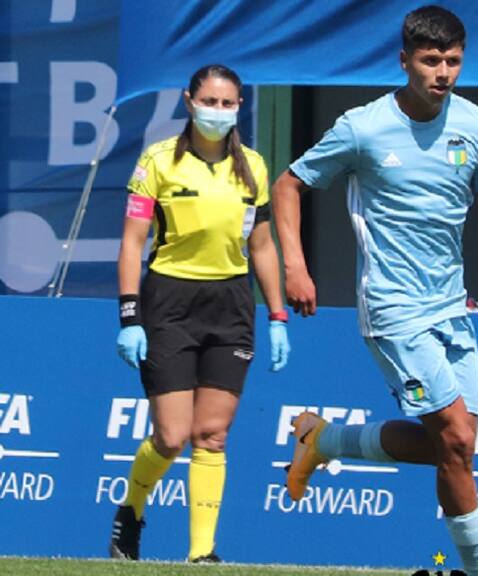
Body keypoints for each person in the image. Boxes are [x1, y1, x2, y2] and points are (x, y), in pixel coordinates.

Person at [272, 6, 478, 576]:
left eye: (453, 61)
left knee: (452, 450)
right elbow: (289, 185)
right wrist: (295, 268)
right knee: (455, 441)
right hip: (392, 307)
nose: (443, 72)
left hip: (451, 307)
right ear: (404, 60)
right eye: (431, 61)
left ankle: (323, 440)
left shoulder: (475, 126)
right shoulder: (363, 126)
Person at [110, 64, 290, 563]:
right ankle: (131, 510)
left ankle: (202, 554)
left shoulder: (253, 165)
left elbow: (262, 246)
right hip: (169, 300)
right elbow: (131, 243)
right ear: (189, 102)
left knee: (211, 434)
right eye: (209, 101)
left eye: (228, 103)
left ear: (239, 107)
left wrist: (277, 317)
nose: (218, 111)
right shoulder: (158, 161)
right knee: (171, 435)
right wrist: (130, 317)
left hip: (231, 304)